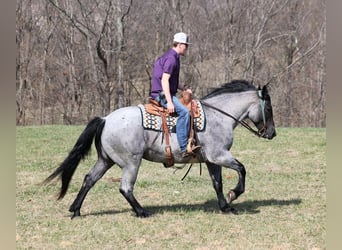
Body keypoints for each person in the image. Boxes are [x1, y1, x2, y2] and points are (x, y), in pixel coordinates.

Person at [150, 32, 200, 157]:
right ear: (179, 44)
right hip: (161, 95)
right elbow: (164, 80)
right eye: (186, 45)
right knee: (184, 112)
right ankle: (184, 148)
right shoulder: (172, 59)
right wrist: (169, 101)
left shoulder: (171, 56)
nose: (187, 48)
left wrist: (183, 88)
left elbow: (169, 80)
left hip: (163, 92)